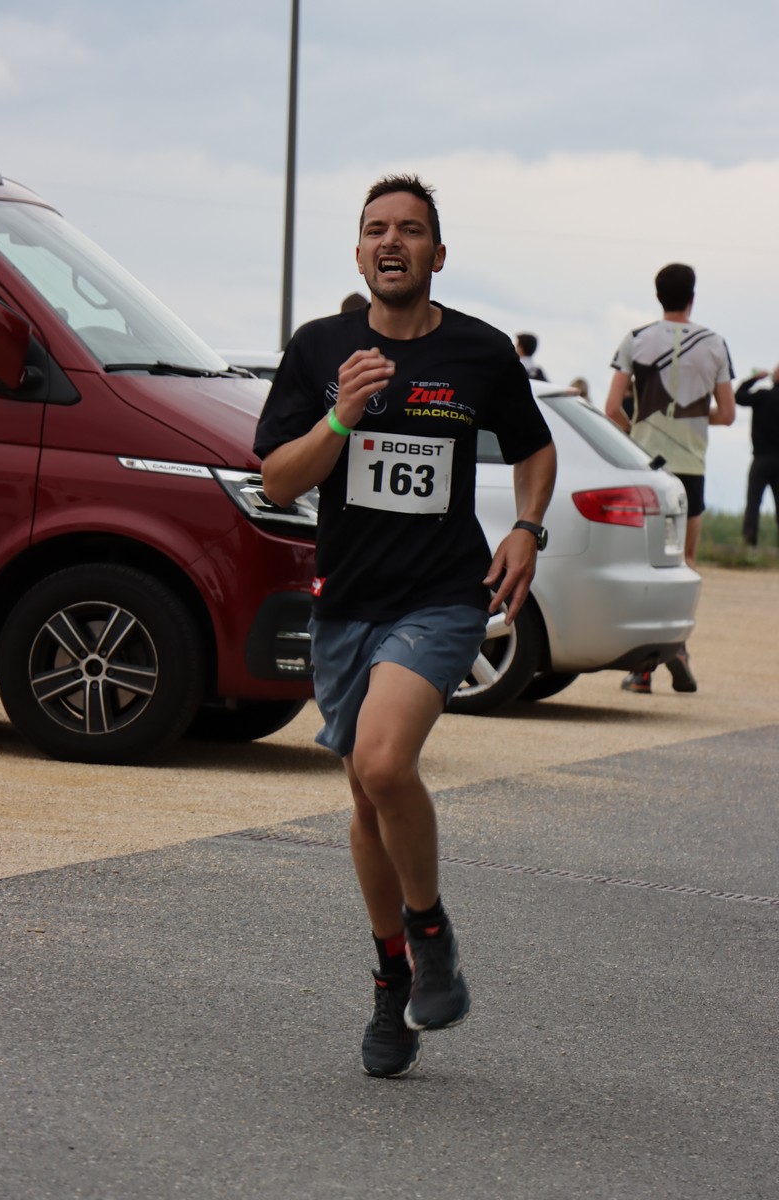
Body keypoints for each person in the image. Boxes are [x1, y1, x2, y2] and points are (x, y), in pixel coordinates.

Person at [254, 173, 556, 1079]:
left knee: (384, 764)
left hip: (443, 596)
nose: (393, 241)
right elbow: (279, 480)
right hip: (347, 602)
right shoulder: (320, 349)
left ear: (437, 253)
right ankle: (393, 980)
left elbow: (535, 446)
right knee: (364, 797)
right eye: (377, 229)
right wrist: (341, 415)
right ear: (359, 253)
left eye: (412, 229)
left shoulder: (479, 351)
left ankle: (431, 937)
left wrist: (527, 528)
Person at [605, 262, 736, 694]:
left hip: (648, 465)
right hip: (691, 466)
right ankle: (678, 645)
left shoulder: (636, 339)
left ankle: (643, 668)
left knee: (645, 563)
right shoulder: (714, 343)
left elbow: (611, 409)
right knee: (685, 562)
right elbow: (728, 414)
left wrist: (638, 432)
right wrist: (693, 418)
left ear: (658, 295)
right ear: (692, 297)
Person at [735, 366, 779, 546]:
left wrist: (754, 378)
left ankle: (749, 542)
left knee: (753, 503)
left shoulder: (762, 396)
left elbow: (738, 397)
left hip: (761, 458)